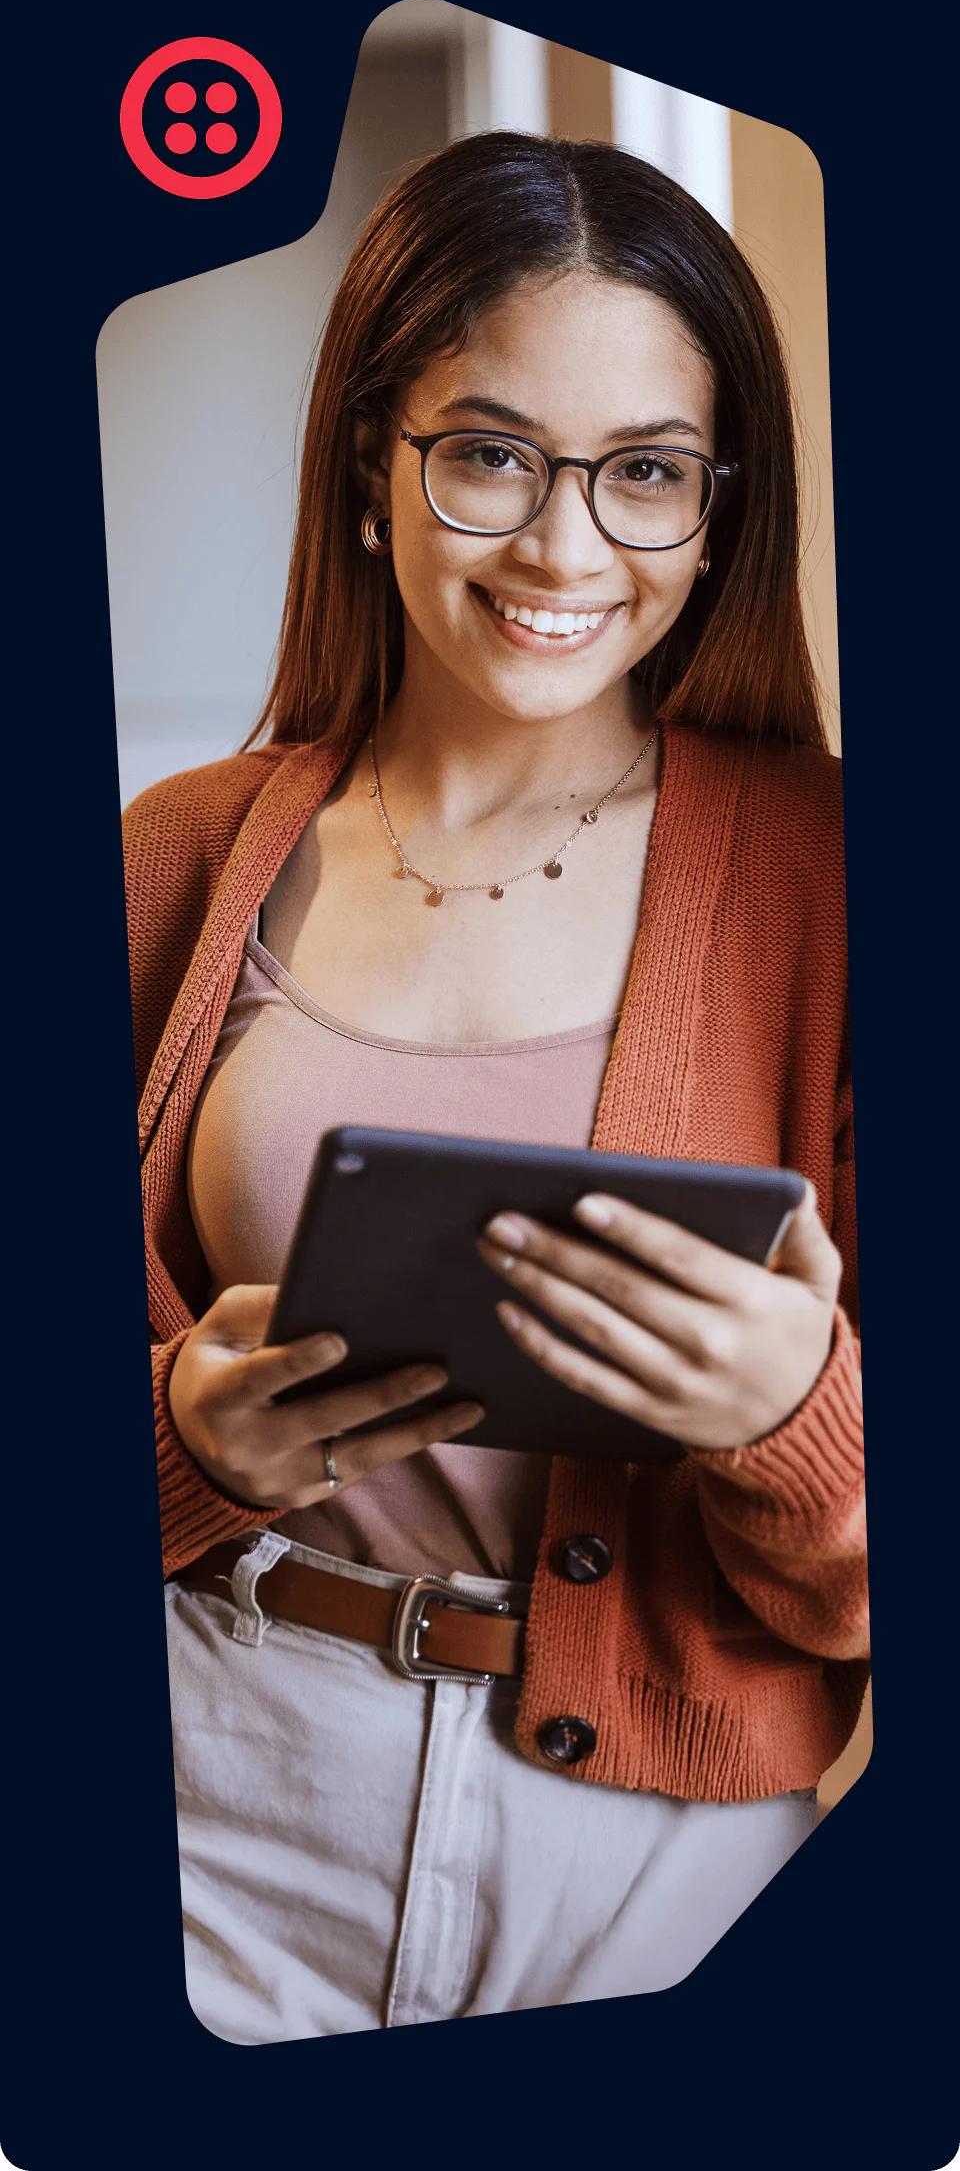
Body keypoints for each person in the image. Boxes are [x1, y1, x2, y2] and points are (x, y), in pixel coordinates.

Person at [124, 130, 867, 2045]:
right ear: (376, 472)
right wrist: (179, 1447)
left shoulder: (847, 884)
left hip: (662, 1858)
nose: (561, 548)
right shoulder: (170, 862)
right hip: (214, 1778)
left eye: (644, 475)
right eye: (489, 454)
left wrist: (799, 1417)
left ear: (717, 513)